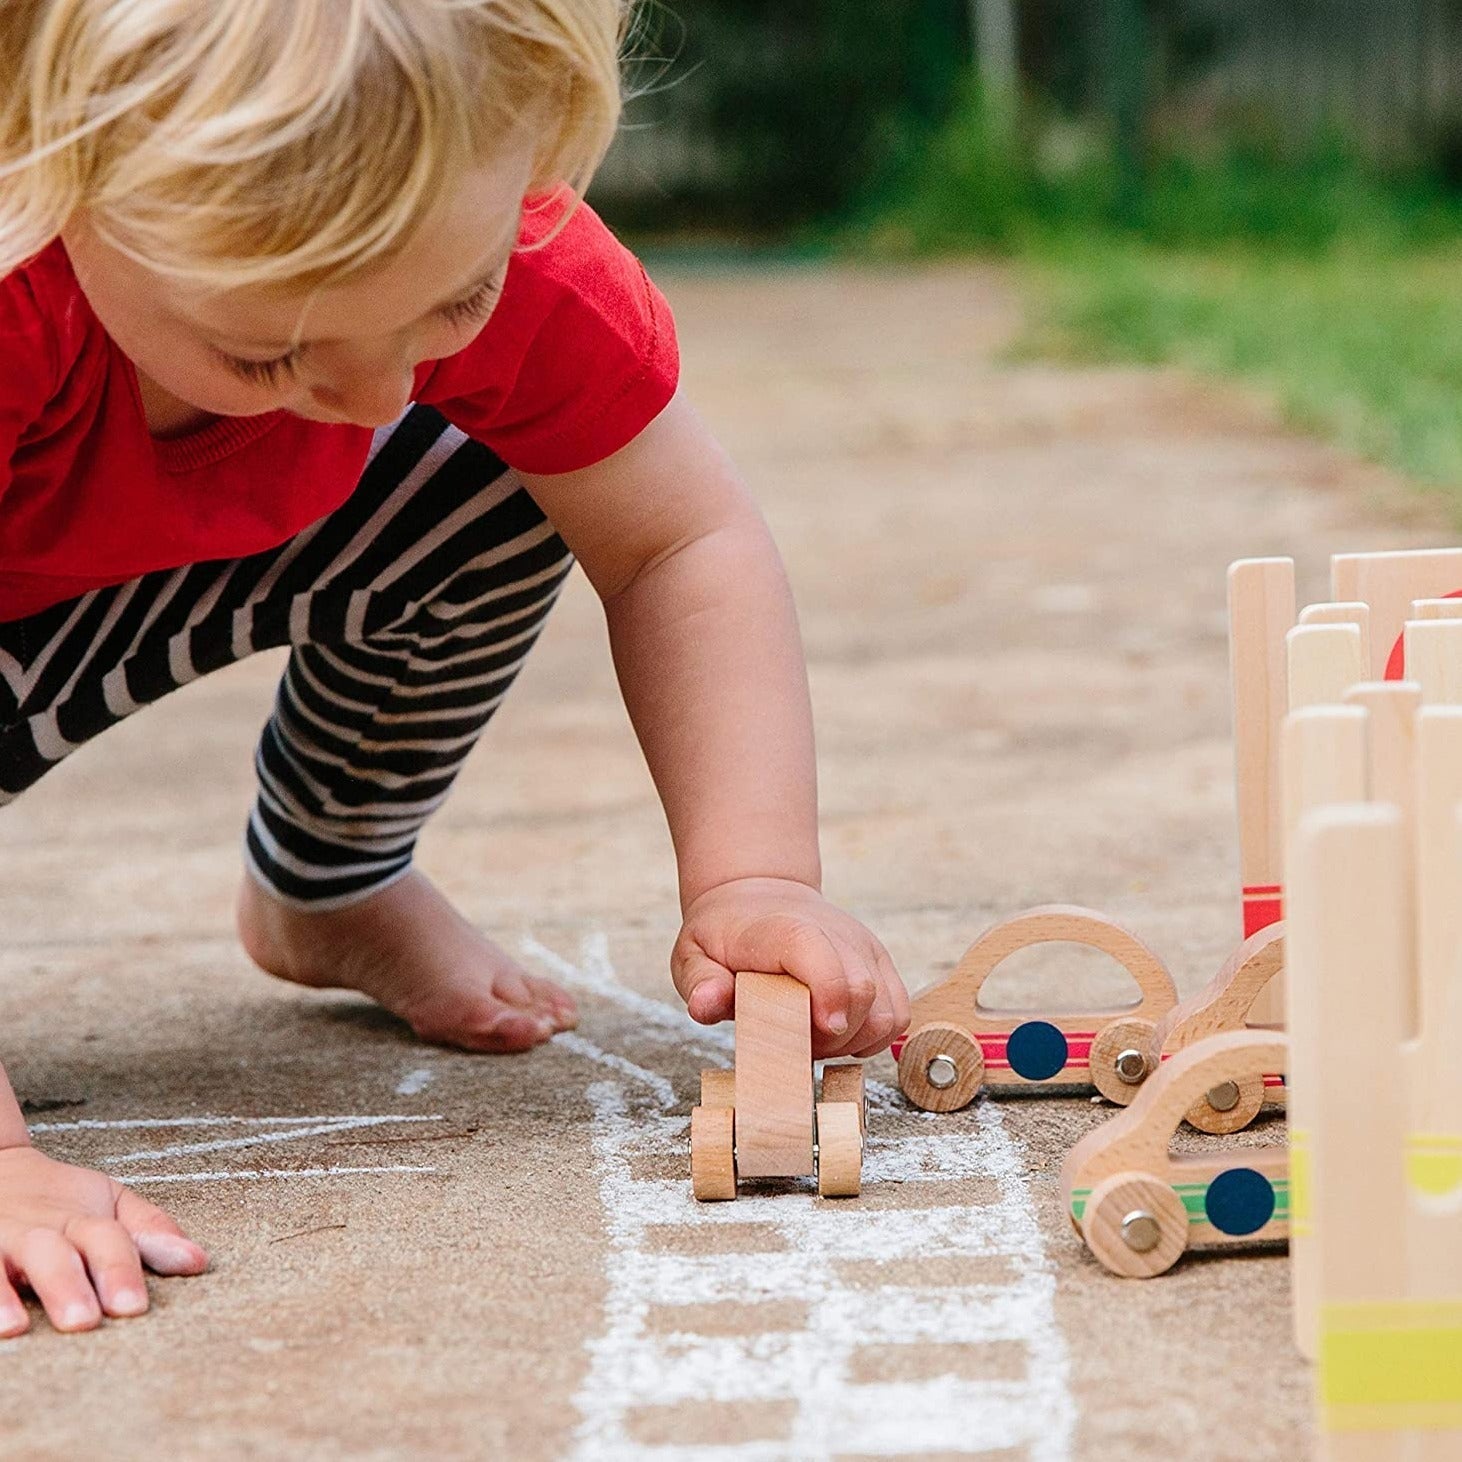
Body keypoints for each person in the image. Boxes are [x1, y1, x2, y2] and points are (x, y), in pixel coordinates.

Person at [0, 0, 910, 1337]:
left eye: (450, 306)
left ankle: (330, 881)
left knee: (505, 484)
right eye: (272, 349)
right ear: (55, 174)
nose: (378, 393)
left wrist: (754, 874)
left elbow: (676, 540)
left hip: (59, 611)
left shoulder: (502, 243)